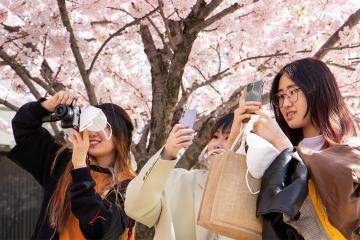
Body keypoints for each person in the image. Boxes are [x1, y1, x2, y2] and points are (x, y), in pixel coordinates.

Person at [228, 58, 359, 239]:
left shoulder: (352, 149)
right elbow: (234, 189)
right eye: (281, 96)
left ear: (318, 90)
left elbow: (333, 212)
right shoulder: (273, 150)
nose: (285, 103)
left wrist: (283, 146)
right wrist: (237, 131)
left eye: (293, 92)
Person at [7, 91, 136, 240]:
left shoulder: (130, 185)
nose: (92, 132)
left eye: (100, 124)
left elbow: (99, 227)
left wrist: (80, 169)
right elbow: (24, 130)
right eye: (88, 124)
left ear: (120, 133)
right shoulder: (62, 163)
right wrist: (47, 106)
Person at [124, 113, 236, 240]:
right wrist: (168, 152)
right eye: (215, 136)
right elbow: (137, 208)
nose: (217, 144)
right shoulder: (179, 181)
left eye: (229, 138)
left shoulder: (257, 193)